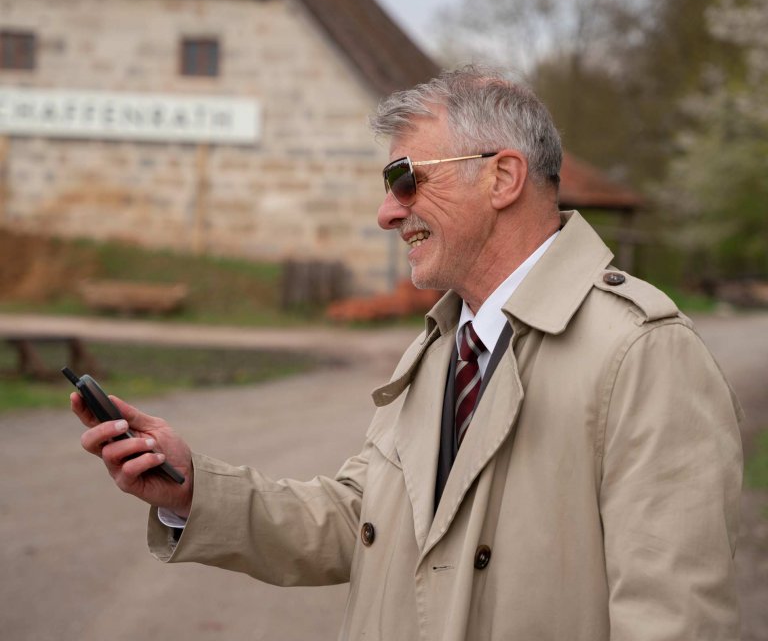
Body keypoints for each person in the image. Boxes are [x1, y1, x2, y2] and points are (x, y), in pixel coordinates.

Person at [73, 66, 743, 641]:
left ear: (503, 177)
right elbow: (359, 520)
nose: (387, 212)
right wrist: (193, 491)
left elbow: (674, 618)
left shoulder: (641, 351)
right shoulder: (444, 346)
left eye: (406, 180)